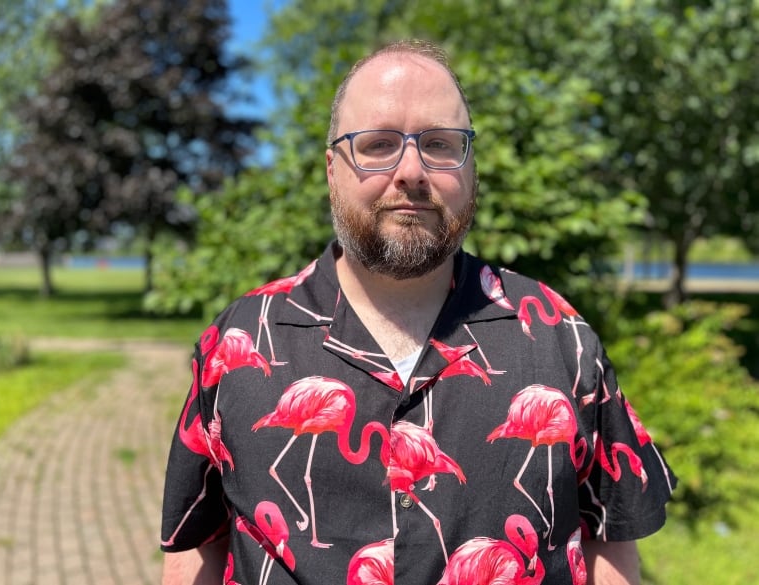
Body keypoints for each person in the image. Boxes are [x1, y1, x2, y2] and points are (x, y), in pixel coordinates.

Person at [160, 39, 676, 585]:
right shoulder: (237, 343)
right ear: (332, 171)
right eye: (378, 144)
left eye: (439, 143)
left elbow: (609, 539)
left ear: (472, 168)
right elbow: (197, 545)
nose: (411, 170)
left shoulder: (561, 340)